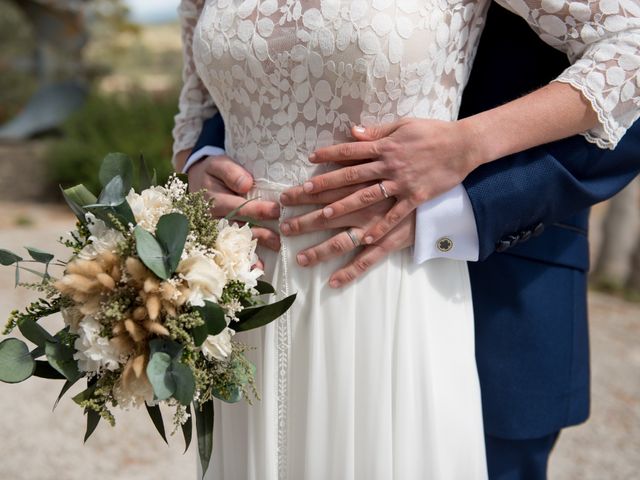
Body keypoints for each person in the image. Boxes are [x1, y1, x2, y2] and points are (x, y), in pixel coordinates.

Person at [172, 1, 640, 479]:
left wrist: (468, 150)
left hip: (438, 290)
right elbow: (219, 91)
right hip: (252, 292)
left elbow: (630, 47)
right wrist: (198, 165)